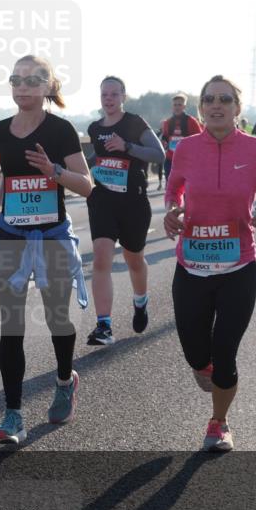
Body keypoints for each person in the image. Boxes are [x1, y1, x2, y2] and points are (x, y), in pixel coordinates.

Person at [164, 75, 256, 452]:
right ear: (201, 108)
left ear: (237, 108)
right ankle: (204, 367)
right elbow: (174, 189)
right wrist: (172, 212)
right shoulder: (186, 147)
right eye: (209, 99)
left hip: (238, 268)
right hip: (192, 267)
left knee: (225, 353)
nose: (216, 105)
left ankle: (218, 423)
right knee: (195, 353)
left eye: (225, 99)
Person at [0, 55, 92, 445]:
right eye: (17, 79)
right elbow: (8, 178)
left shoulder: (60, 131)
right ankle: (13, 416)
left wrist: (54, 172)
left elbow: (87, 186)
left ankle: (65, 379)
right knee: (12, 326)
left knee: (57, 316)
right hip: (11, 233)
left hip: (52, 235)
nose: (23, 86)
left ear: (47, 87)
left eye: (32, 80)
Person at [85, 76, 164, 345]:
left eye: (114, 94)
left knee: (134, 260)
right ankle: (104, 326)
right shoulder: (95, 128)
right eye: (104, 94)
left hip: (133, 203)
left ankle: (140, 301)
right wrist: (73, 167)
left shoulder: (134, 123)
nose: (109, 99)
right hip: (103, 201)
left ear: (123, 97)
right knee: (101, 258)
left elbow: (159, 154)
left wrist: (127, 146)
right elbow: (96, 157)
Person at [160, 93, 203, 183]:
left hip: (187, 161)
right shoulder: (167, 122)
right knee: (171, 189)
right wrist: (163, 142)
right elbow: (165, 138)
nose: (177, 107)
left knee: (187, 190)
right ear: (172, 106)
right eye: (175, 105)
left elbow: (201, 140)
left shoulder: (192, 121)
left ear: (184, 106)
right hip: (171, 161)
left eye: (179, 105)